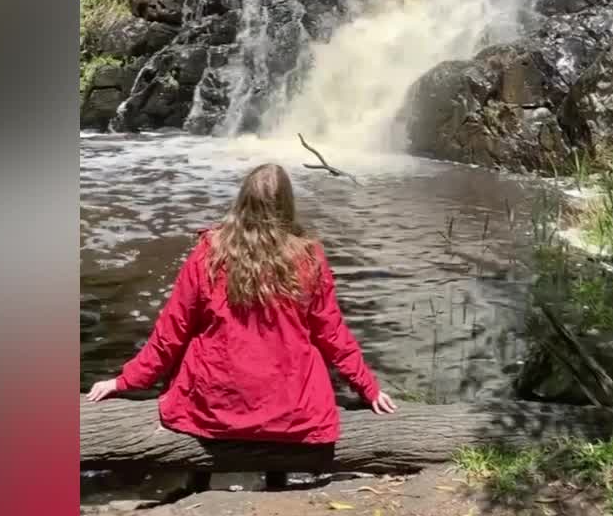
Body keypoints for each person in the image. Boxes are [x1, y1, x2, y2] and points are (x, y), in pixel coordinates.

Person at [86, 163, 396, 470]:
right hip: (288, 410)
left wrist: (126, 380)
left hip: (217, 407)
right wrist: (368, 387)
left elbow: (171, 332)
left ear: (242, 202)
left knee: (198, 346)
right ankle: (276, 480)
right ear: (287, 206)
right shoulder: (309, 257)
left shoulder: (209, 253)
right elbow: (332, 334)